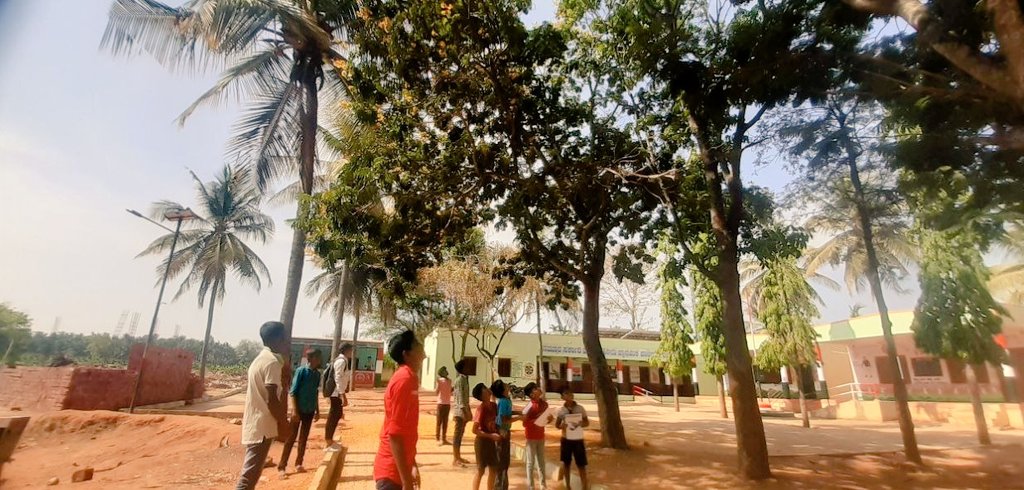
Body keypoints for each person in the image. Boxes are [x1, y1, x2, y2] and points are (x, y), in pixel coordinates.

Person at [235, 321, 291, 490]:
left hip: (259, 425)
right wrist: (283, 423)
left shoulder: (261, 360)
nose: (287, 342)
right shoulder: (272, 362)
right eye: (285, 338)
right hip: (262, 427)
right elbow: (272, 399)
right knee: (249, 477)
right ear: (278, 339)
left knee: (253, 473)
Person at [373, 331, 425, 490]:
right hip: (391, 475)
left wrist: (412, 464)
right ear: (407, 354)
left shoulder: (409, 377)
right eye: (416, 344)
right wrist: (406, 481)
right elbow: (394, 434)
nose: (421, 347)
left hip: (398, 471)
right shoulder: (404, 379)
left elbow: (404, 428)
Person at [278, 349, 322, 478]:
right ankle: (282, 466)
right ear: (312, 359)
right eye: (318, 357)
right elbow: (293, 392)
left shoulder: (317, 374)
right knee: (291, 438)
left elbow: (315, 393)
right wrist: (295, 411)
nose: (320, 360)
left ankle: (299, 463)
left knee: (304, 438)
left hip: (309, 410)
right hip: (299, 410)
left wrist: (317, 411)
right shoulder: (301, 371)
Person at [555, 387, 589, 490]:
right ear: (562, 397)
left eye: (570, 393)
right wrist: (562, 426)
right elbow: (557, 425)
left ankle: (584, 486)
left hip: (578, 439)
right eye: (566, 393)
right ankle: (568, 486)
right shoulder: (561, 411)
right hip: (566, 439)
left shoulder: (580, 408)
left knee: (581, 464)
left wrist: (580, 424)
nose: (569, 395)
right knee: (566, 463)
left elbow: (587, 422)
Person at [521, 382, 551, 490]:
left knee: (541, 461)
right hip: (531, 437)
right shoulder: (528, 407)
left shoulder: (544, 404)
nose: (539, 389)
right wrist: (535, 420)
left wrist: (549, 419)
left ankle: (543, 485)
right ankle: (531, 486)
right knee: (530, 462)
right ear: (532, 394)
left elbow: (547, 419)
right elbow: (524, 423)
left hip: (540, 436)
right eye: (535, 388)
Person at [471, 383, 501, 490]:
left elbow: (497, 422)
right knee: (480, 470)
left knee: (493, 468)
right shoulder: (481, 409)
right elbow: (474, 430)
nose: (487, 389)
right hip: (481, 443)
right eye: (484, 388)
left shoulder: (494, 406)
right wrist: (491, 435)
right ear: (482, 395)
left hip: (490, 442)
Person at [491, 380, 520, 490]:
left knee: (504, 461)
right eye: (504, 384)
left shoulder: (506, 400)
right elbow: (504, 419)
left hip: (504, 431)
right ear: (503, 390)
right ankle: (499, 486)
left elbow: (507, 413)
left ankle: (503, 485)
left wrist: (519, 413)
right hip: (502, 431)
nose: (507, 385)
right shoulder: (503, 401)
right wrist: (519, 418)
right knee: (502, 461)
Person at [325, 343, 353, 447]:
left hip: (338, 392)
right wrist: (342, 395)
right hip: (336, 393)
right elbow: (338, 377)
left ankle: (329, 438)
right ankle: (328, 440)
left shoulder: (344, 360)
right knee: (333, 415)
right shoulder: (341, 361)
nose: (351, 352)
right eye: (350, 350)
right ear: (346, 350)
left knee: (337, 414)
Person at [450, 359, 472, 467]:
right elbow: (460, 399)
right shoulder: (459, 380)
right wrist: (465, 411)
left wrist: (469, 410)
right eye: (467, 366)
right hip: (460, 413)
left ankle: (458, 456)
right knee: (457, 435)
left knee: (460, 435)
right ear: (463, 368)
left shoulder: (465, 379)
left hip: (464, 411)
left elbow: (465, 397)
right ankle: (455, 458)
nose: (469, 368)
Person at [435, 366, 453, 446]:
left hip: (440, 403)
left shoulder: (440, 381)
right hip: (447, 404)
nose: (447, 372)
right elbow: (450, 390)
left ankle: (438, 438)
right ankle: (443, 438)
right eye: (445, 371)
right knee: (445, 422)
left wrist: (438, 383)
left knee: (439, 422)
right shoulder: (449, 381)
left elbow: (436, 392)